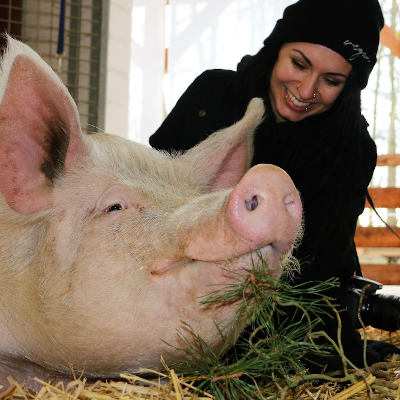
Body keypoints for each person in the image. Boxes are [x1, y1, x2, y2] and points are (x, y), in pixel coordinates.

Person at [149, 0, 398, 368]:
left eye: (331, 81)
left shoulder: (350, 149)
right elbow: (150, 200)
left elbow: (319, 266)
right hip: (174, 293)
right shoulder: (213, 97)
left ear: (349, 87)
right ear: (277, 47)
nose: (307, 89)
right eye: (299, 63)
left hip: (283, 311)